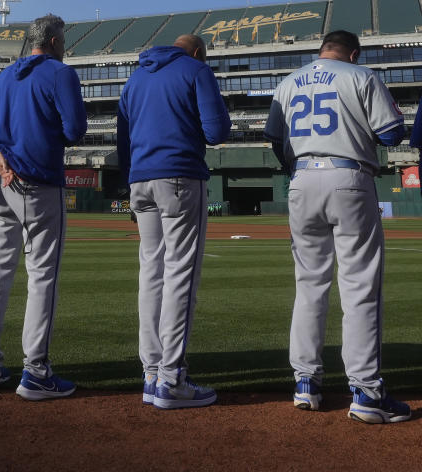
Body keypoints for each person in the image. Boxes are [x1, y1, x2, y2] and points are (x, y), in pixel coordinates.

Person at [263, 30, 410, 424]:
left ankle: (306, 383)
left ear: (321, 50)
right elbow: (392, 132)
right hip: (349, 177)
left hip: (301, 180)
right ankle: (365, 391)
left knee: (309, 284)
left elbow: (275, 139)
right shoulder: (361, 75)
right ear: (354, 52)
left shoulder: (288, 81)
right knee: (359, 285)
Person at [0, 13, 87, 401]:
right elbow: (75, 130)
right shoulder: (59, 73)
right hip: (38, 181)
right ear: (54, 42)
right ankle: (35, 371)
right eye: (63, 40)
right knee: (41, 276)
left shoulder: (3, 77)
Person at [117, 34, 231, 410]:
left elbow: (122, 140)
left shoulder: (135, 77)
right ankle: (172, 378)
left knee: (151, 273)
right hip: (180, 176)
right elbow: (216, 132)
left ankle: (151, 373)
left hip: (139, 179)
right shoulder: (196, 70)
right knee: (181, 273)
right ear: (198, 52)